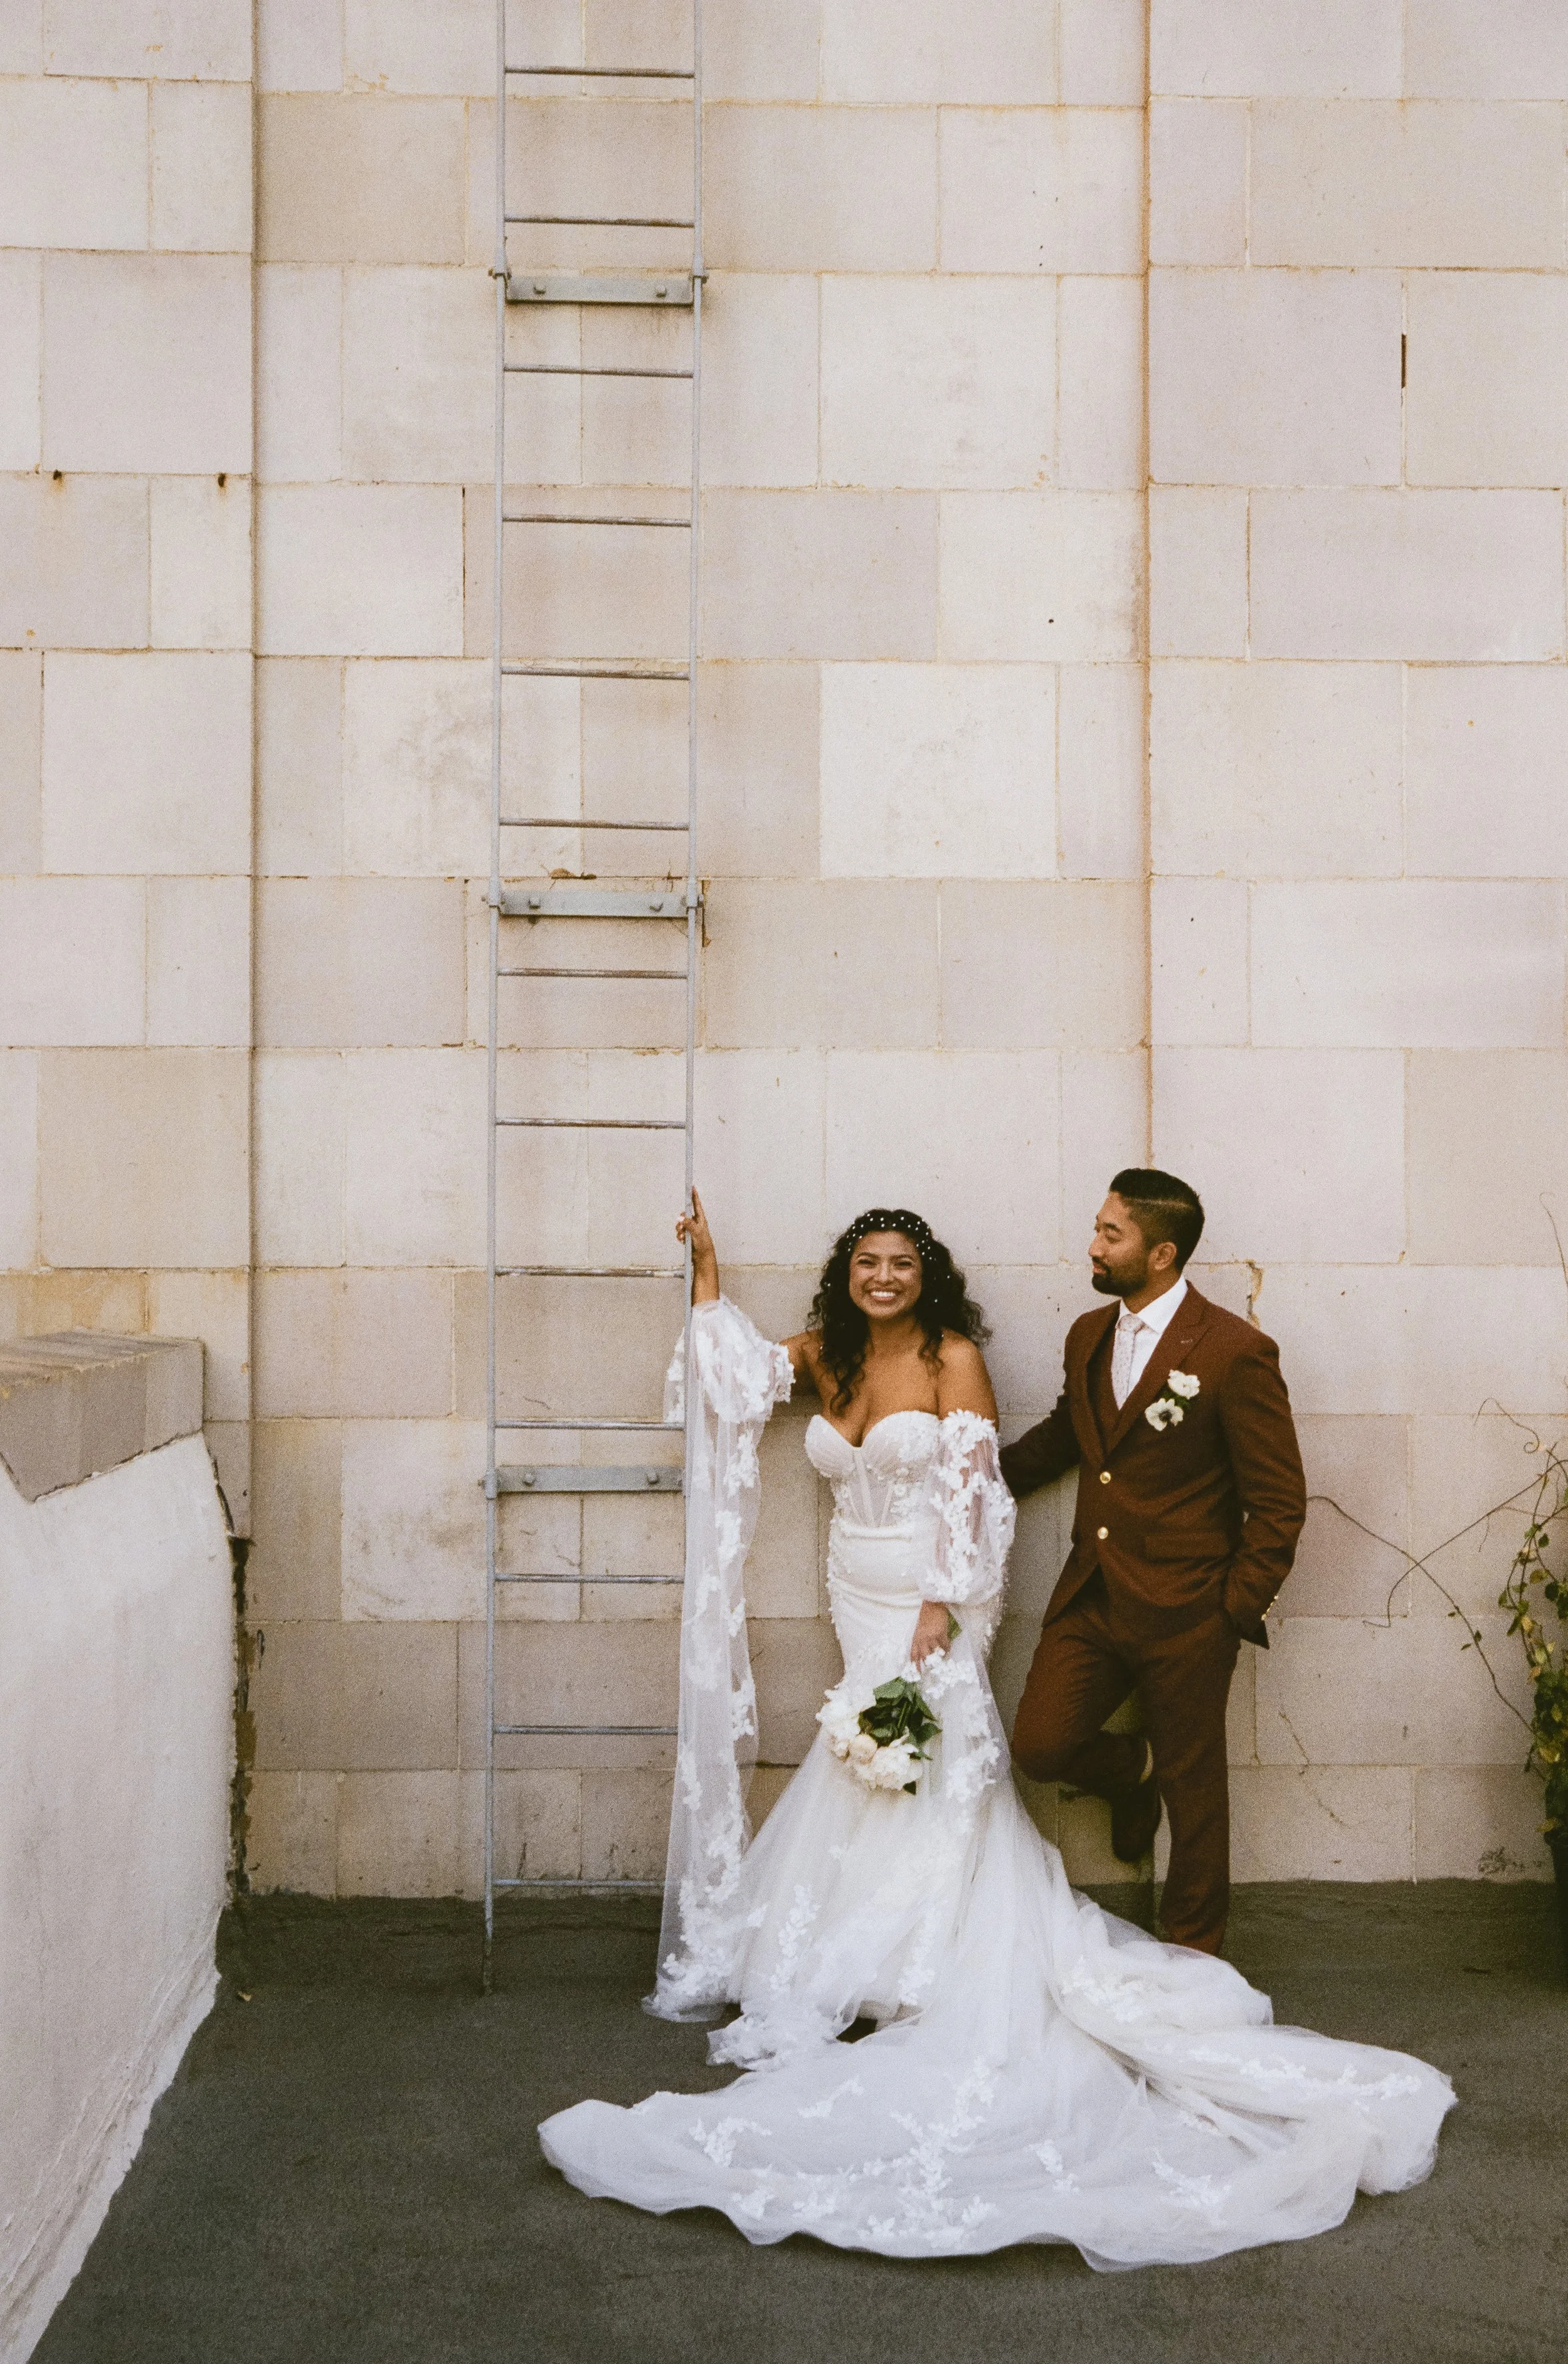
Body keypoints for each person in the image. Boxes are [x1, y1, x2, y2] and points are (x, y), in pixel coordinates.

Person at [538, 1195, 1451, 2266]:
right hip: (855, 1591)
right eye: (868, 1261)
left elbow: (979, 1492)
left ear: (928, 1275)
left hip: (939, 1597)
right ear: (846, 1273)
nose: (884, 1276)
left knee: (951, 1767)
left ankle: (1011, 1954)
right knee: (870, 1765)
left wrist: (947, 1601)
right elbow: (738, 1380)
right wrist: (707, 1273)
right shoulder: (834, 1354)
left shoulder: (956, 1357)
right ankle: (864, 1954)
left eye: (902, 1261)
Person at [1003, 1169, 1306, 1956]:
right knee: (1040, 1743)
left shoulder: (1235, 1351)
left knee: (1195, 1793)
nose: (1093, 1245)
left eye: (1112, 1234)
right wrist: (965, 1474)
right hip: (1093, 1596)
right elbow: (1070, 1437)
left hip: (1190, 1609)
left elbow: (1277, 1502)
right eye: (1098, 1227)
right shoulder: (1086, 1334)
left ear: (1162, 1252)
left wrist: (1231, 1608)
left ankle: (1195, 1956)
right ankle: (1126, 1770)